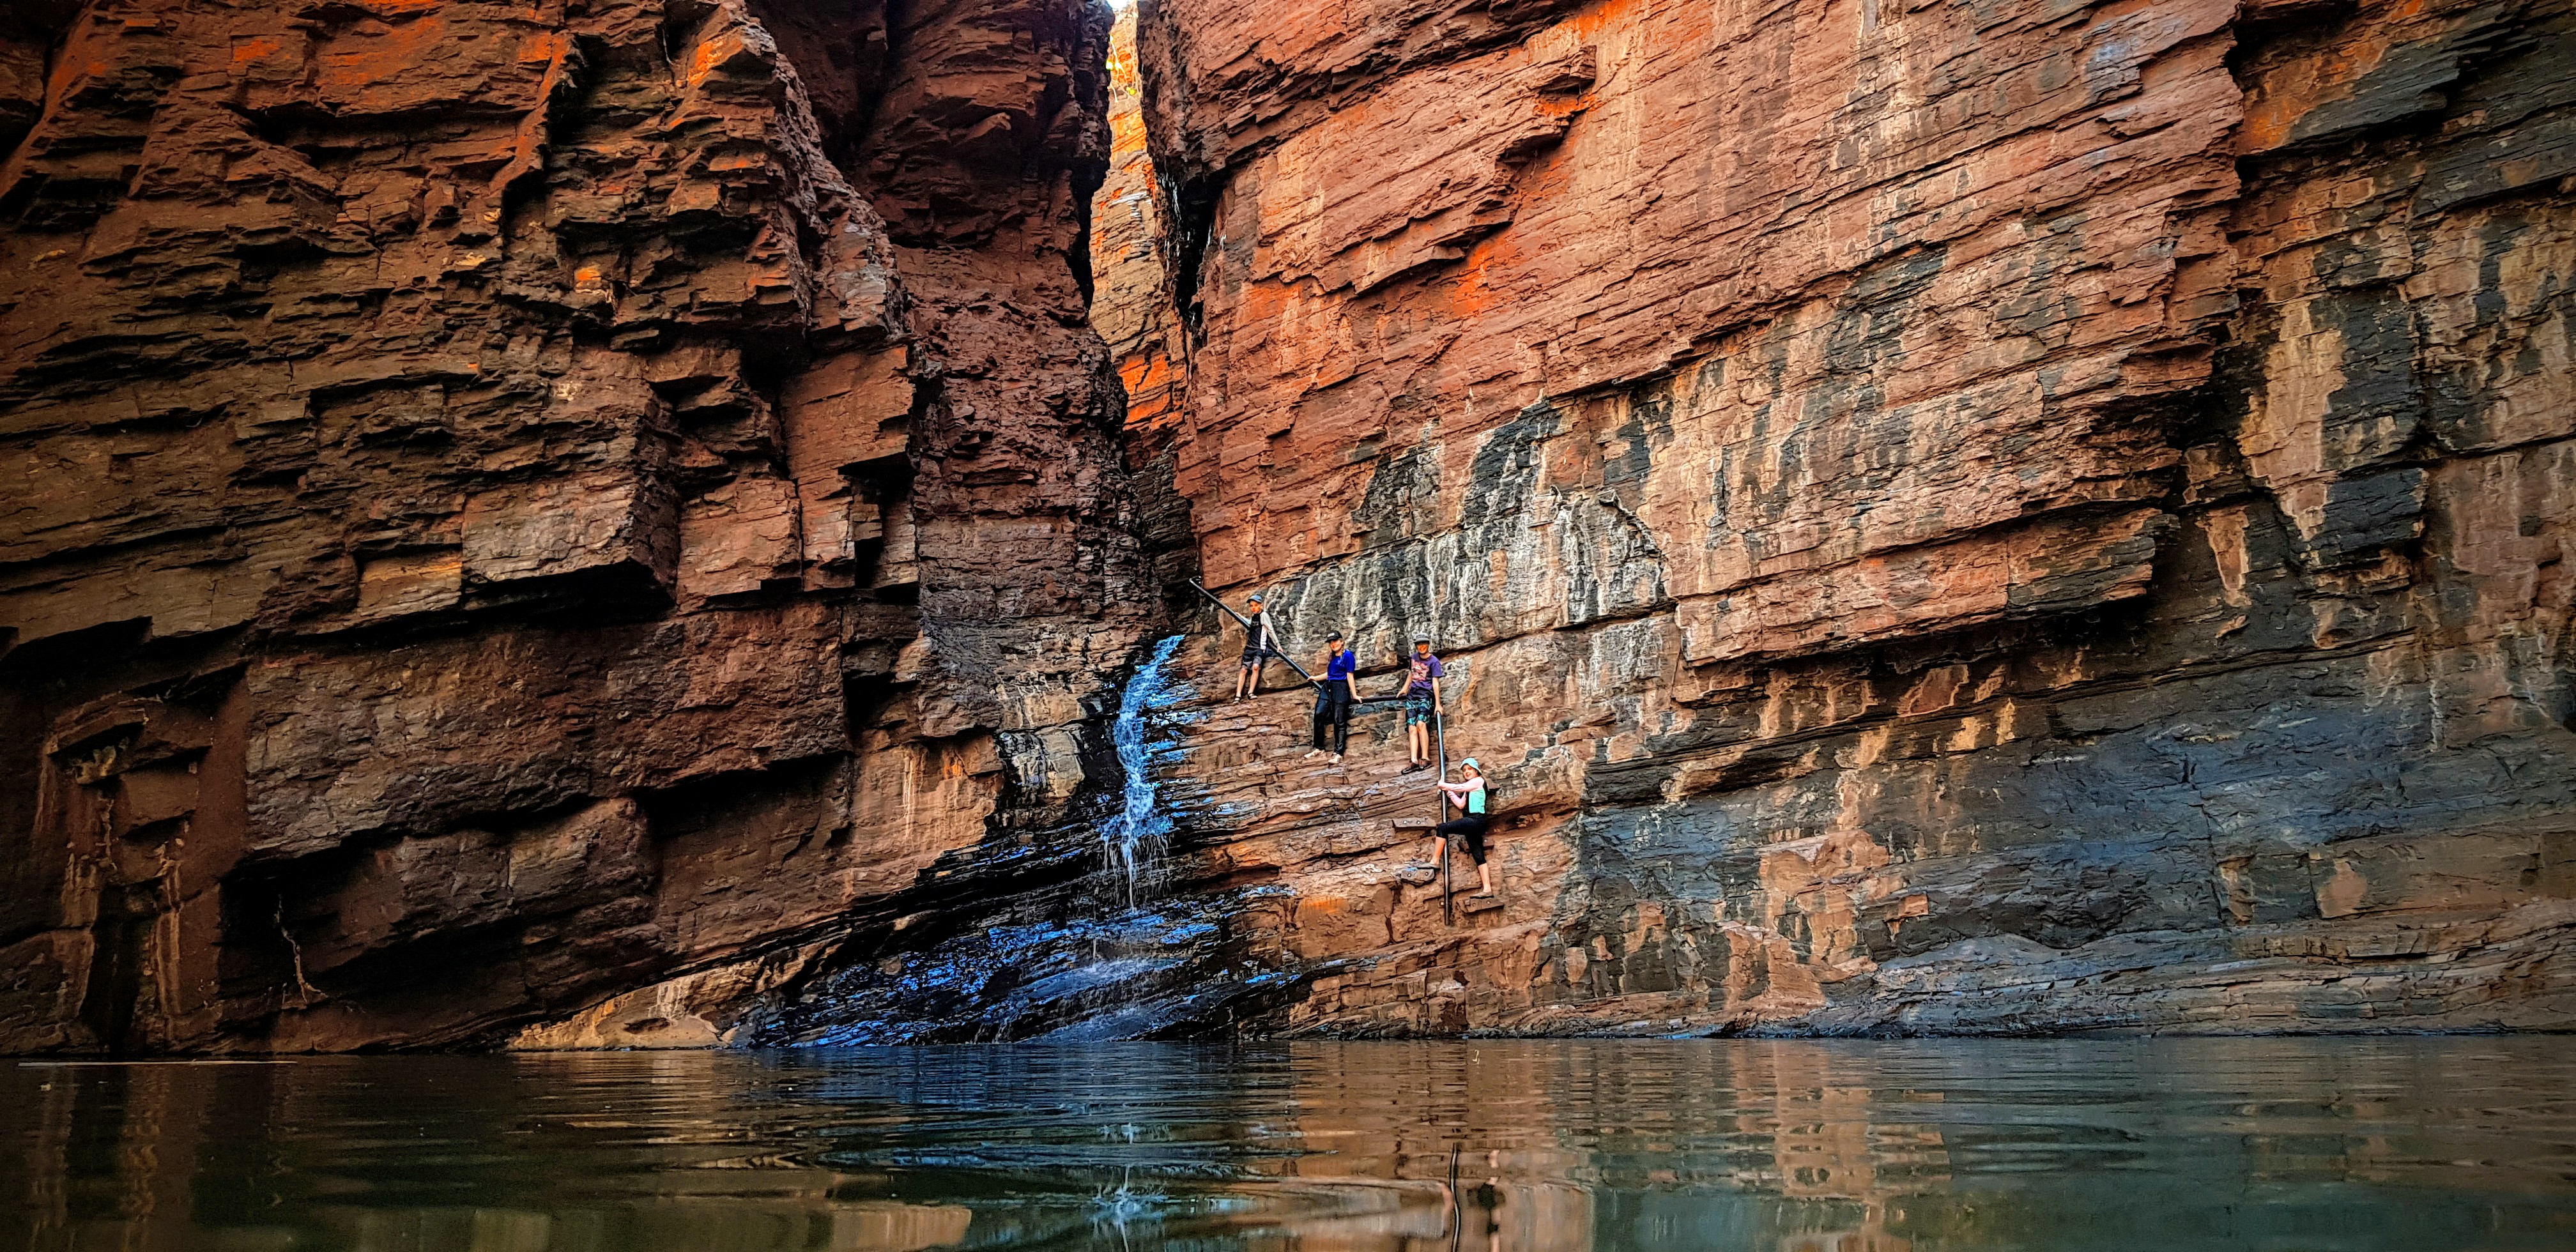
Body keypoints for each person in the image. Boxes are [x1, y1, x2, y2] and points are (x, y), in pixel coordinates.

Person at [1421, 757, 1494, 897]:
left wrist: (1443, 785)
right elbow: (1461, 804)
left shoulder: (1478, 781)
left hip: (1476, 820)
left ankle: (1435, 861)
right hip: (1473, 822)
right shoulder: (1469, 788)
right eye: (1464, 770)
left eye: (1469, 769)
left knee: (1443, 828)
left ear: (1476, 771)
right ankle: (1487, 890)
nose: (1467, 772)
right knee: (1478, 855)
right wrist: (1449, 792)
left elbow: (1459, 787)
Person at [1304, 630, 1359, 763]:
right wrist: (1315, 678)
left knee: (1339, 720)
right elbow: (1330, 674)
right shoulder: (1332, 656)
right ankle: (1319, 748)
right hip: (1328, 686)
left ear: (1342, 642)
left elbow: (1350, 675)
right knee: (1319, 714)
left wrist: (1354, 694)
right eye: (1331, 642)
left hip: (1341, 687)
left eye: (1335, 641)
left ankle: (1338, 752)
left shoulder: (1348, 656)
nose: (1333, 644)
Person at [1399, 634, 1443, 771]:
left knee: (1421, 724)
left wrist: (1438, 703)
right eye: (1419, 644)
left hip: (1426, 695)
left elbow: (1436, 682)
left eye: (1424, 644)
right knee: (1412, 726)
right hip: (1413, 695)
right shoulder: (1414, 658)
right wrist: (1405, 688)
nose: (1422, 647)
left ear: (1428, 644)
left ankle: (1425, 757)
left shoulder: (1434, 661)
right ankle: (1413, 759)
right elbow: (1411, 673)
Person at [1234, 593, 1279, 701]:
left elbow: (1270, 630)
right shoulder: (1254, 616)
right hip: (1250, 647)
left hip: (1259, 647)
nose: (1253, 608)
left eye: (1256, 605)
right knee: (1244, 670)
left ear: (1261, 605)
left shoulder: (1264, 615)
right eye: (1251, 606)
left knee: (1255, 667)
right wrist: (1241, 617)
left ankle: (1251, 692)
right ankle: (1238, 695)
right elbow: (1250, 624)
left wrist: (1277, 644)